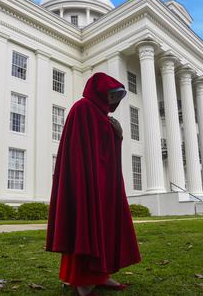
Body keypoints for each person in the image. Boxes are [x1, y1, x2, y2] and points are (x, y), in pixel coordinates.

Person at [46, 72, 141, 296]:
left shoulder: (104, 117)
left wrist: (118, 135)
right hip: (86, 182)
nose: (112, 100)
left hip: (105, 183)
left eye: (115, 96)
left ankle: (102, 274)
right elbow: (78, 152)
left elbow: (106, 151)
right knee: (86, 225)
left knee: (104, 225)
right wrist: (85, 182)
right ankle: (82, 278)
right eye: (109, 94)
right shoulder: (82, 108)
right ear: (98, 92)